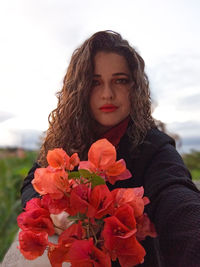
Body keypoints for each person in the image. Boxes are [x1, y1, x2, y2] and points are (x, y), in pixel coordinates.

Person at [4, 30, 200, 267]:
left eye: (120, 80)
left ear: (134, 88)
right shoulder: (66, 139)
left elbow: (176, 195)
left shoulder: (154, 147)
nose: (107, 94)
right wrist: (56, 212)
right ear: (81, 90)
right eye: (95, 82)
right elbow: (32, 183)